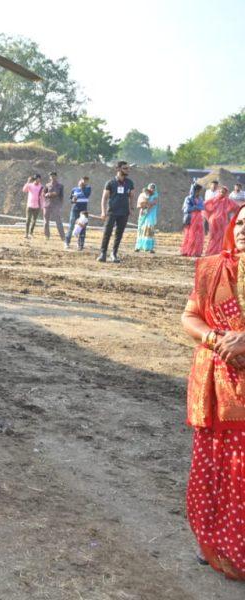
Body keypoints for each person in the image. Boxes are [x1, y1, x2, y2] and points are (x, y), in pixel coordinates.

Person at [179, 203, 245, 580]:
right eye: (240, 223)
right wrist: (215, 338)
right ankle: (215, 544)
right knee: (216, 465)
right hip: (215, 387)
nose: (243, 230)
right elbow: (190, 316)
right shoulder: (211, 269)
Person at [98, 161, 134, 263]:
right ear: (118, 169)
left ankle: (114, 254)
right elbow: (104, 198)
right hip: (112, 212)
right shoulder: (110, 183)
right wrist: (103, 212)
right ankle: (103, 253)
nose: (127, 170)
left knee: (119, 234)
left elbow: (132, 196)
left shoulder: (130, 183)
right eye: (125, 168)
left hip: (124, 212)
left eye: (128, 168)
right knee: (107, 232)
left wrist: (131, 208)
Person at [204, 186, 238, 257]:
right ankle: (211, 251)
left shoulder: (227, 200)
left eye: (224, 192)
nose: (222, 193)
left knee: (222, 236)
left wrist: (228, 210)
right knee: (213, 236)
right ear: (219, 192)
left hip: (223, 221)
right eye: (221, 191)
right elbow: (205, 204)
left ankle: (219, 251)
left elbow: (236, 206)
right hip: (214, 221)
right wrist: (211, 210)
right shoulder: (214, 199)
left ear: (226, 193)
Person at [65, 176, 92, 250]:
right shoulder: (74, 189)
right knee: (71, 226)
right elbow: (71, 200)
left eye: (86, 181)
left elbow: (86, 195)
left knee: (82, 227)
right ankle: (67, 242)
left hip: (83, 211)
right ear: (81, 180)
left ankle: (80, 244)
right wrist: (73, 200)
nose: (85, 182)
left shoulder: (88, 188)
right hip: (75, 209)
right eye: (84, 180)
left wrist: (82, 187)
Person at [181, 184, 206, 257]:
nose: (198, 192)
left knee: (198, 235)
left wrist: (196, 207)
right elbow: (186, 209)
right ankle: (189, 250)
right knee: (191, 235)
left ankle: (196, 251)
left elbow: (202, 207)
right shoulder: (188, 199)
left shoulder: (200, 198)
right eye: (197, 190)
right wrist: (195, 207)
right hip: (191, 218)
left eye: (199, 191)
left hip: (199, 219)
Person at [134, 183, 159, 253]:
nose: (152, 189)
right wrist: (143, 204)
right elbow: (140, 204)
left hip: (150, 215)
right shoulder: (144, 195)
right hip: (143, 214)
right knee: (141, 229)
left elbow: (153, 203)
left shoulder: (155, 196)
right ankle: (138, 246)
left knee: (148, 229)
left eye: (153, 188)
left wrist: (147, 204)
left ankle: (148, 247)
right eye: (151, 188)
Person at [42, 171, 65, 241]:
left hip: (56, 205)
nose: (52, 177)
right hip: (47, 205)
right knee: (46, 222)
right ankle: (47, 236)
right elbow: (43, 193)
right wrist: (46, 195)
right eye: (51, 176)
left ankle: (63, 237)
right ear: (50, 177)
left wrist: (60, 206)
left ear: (56, 176)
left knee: (58, 221)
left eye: (54, 176)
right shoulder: (47, 185)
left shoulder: (60, 186)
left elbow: (61, 196)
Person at [22, 174, 43, 239]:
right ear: (35, 179)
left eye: (39, 179)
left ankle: (31, 233)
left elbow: (42, 197)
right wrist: (28, 182)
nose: (38, 180)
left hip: (37, 206)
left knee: (34, 220)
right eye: (37, 179)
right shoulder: (30, 185)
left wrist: (42, 205)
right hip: (30, 205)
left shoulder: (41, 187)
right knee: (28, 220)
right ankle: (26, 233)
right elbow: (24, 190)